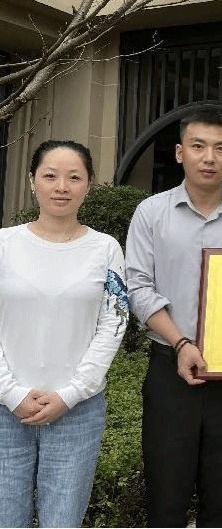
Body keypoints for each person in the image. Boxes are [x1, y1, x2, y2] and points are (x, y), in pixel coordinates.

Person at [125, 110, 222, 527]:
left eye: (221, 149)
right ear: (179, 152)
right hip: (170, 369)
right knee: (166, 498)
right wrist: (182, 343)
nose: (209, 157)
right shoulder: (151, 213)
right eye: (198, 146)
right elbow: (138, 288)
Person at [0, 140, 128, 527]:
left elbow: (113, 324)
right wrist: (10, 393)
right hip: (4, 409)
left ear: (88, 184)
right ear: (32, 181)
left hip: (77, 411)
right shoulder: (4, 244)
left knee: (63, 521)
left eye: (74, 177)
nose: (61, 186)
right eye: (50, 175)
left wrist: (71, 393)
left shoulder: (105, 248)